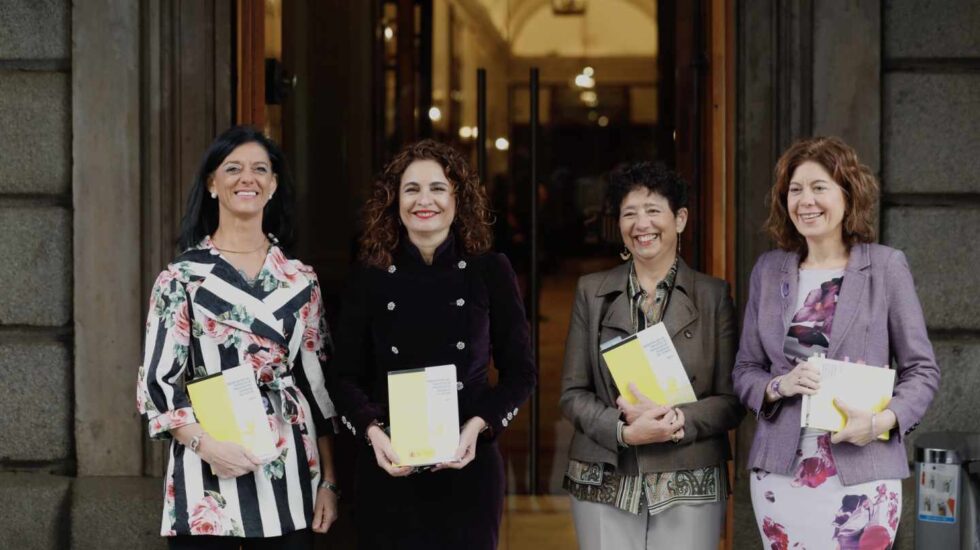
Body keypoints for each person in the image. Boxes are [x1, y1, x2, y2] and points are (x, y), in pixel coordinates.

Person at [136, 126, 339, 549]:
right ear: (212, 184)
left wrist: (330, 484)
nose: (247, 178)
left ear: (273, 186)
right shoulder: (182, 278)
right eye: (233, 168)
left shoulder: (301, 279)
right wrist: (207, 445)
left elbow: (318, 391)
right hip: (207, 471)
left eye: (260, 169)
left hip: (290, 468)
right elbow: (159, 385)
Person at [327, 139, 536, 549]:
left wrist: (479, 426)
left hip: (468, 466)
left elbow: (521, 372)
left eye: (438, 188)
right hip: (388, 466)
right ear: (394, 201)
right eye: (412, 189)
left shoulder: (490, 270)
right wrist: (373, 431)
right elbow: (343, 376)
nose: (425, 200)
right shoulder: (369, 277)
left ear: (459, 198)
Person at [732, 136, 940, 548]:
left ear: (848, 194)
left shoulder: (885, 266)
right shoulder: (769, 270)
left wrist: (881, 423)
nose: (805, 201)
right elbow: (745, 370)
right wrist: (778, 386)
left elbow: (922, 371)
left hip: (864, 470)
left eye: (819, 187)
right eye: (795, 190)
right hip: (780, 472)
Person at [560, 161, 743, 549]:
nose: (641, 224)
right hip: (605, 474)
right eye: (630, 214)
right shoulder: (591, 292)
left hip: (688, 475)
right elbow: (573, 393)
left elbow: (731, 400)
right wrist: (623, 431)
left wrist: (677, 419)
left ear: (680, 219)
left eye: (653, 210)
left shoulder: (712, 295)